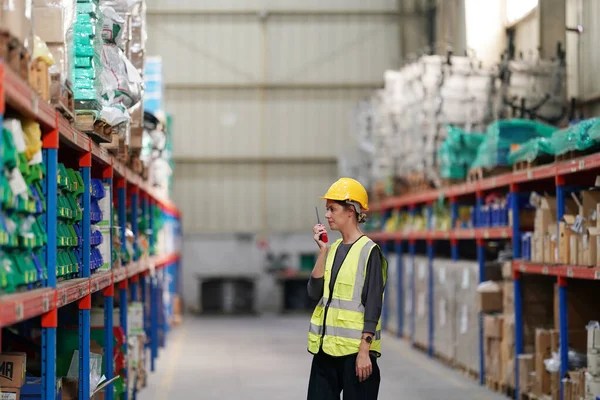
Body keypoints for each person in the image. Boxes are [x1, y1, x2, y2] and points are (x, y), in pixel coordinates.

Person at [306, 177, 388, 400]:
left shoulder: (368, 251)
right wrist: (322, 251)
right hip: (326, 351)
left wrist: (365, 352)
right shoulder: (331, 250)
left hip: (356, 355)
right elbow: (314, 293)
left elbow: (373, 305)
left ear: (350, 210)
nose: (327, 215)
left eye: (332, 209)